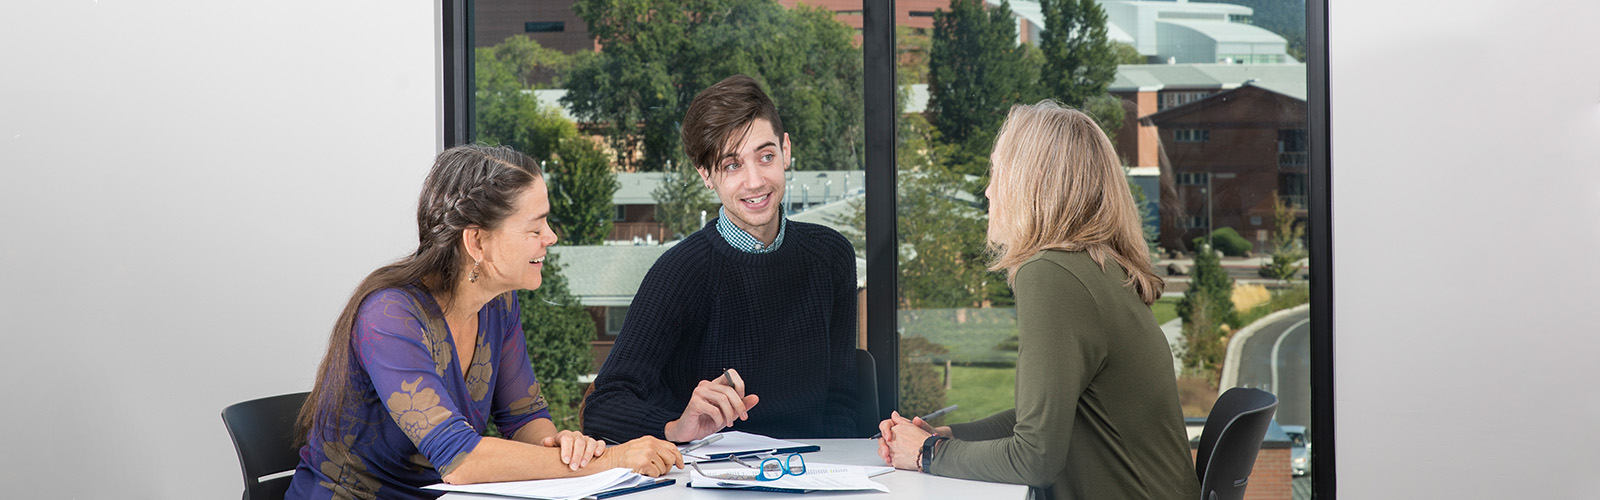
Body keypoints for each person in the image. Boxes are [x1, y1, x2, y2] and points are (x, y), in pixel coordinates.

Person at [288, 145, 682, 500]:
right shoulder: (389, 316)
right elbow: (460, 460)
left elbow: (524, 418)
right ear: (476, 242)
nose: (552, 237)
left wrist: (564, 447)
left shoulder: (498, 305)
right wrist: (613, 458)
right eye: (535, 227)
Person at [876, 101, 1200, 500]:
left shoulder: (1052, 274)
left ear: (1033, 184)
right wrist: (948, 437)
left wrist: (927, 454)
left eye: (997, 173)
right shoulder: (1101, 268)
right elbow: (1047, 419)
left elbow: (1034, 458)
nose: (989, 190)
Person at [582, 74, 858, 443]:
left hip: (815, 474)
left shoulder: (831, 256)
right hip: (712, 479)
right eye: (732, 165)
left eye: (766, 156)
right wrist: (675, 427)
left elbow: (840, 401)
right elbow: (603, 407)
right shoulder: (680, 273)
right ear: (706, 175)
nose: (755, 181)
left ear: (786, 149)